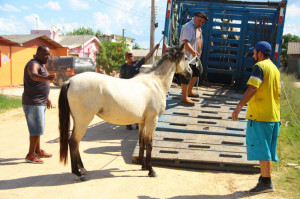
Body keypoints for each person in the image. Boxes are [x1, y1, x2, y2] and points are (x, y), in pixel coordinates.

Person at [231, 41, 281, 193]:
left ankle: (266, 182)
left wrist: (239, 107)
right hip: (273, 116)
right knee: (266, 150)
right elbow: (277, 93)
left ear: (260, 53)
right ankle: (264, 178)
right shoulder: (274, 68)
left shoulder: (259, 67)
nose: (253, 55)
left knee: (262, 150)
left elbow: (253, 87)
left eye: (254, 53)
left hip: (260, 116)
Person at [22, 45, 56, 164]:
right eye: (45, 54)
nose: (48, 57)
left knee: (38, 128)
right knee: (36, 129)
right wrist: (46, 77)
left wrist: (46, 98)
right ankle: (30, 155)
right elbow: (33, 75)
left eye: (49, 54)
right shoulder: (33, 64)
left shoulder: (41, 64)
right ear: (38, 53)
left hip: (39, 101)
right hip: (33, 103)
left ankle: (37, 150)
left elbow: (38, 85)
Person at [120, 43, 160, 130]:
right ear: (126, 58)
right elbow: (121, 79)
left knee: (138, 106)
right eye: (129, 56)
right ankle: (128, 123)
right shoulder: (123, 67)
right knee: (128, 106)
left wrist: (154, 48)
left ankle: (138, 122)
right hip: (127, 89)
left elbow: (147, 56)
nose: (131, 57)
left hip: (137, 89)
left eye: (132, 56)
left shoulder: (137, 63)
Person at [179, 11, 208, 105]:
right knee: (185, 76)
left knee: (197, 72)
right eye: (199, 21)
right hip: (186, 57)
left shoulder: (198, 29)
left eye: (202, 22)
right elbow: (185, 42)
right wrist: (192, 52)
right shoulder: (188, 27)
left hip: (195, 58)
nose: (200, 23)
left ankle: (189, 91)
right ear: (195, 18)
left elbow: (198, 40)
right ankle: (184, 97)